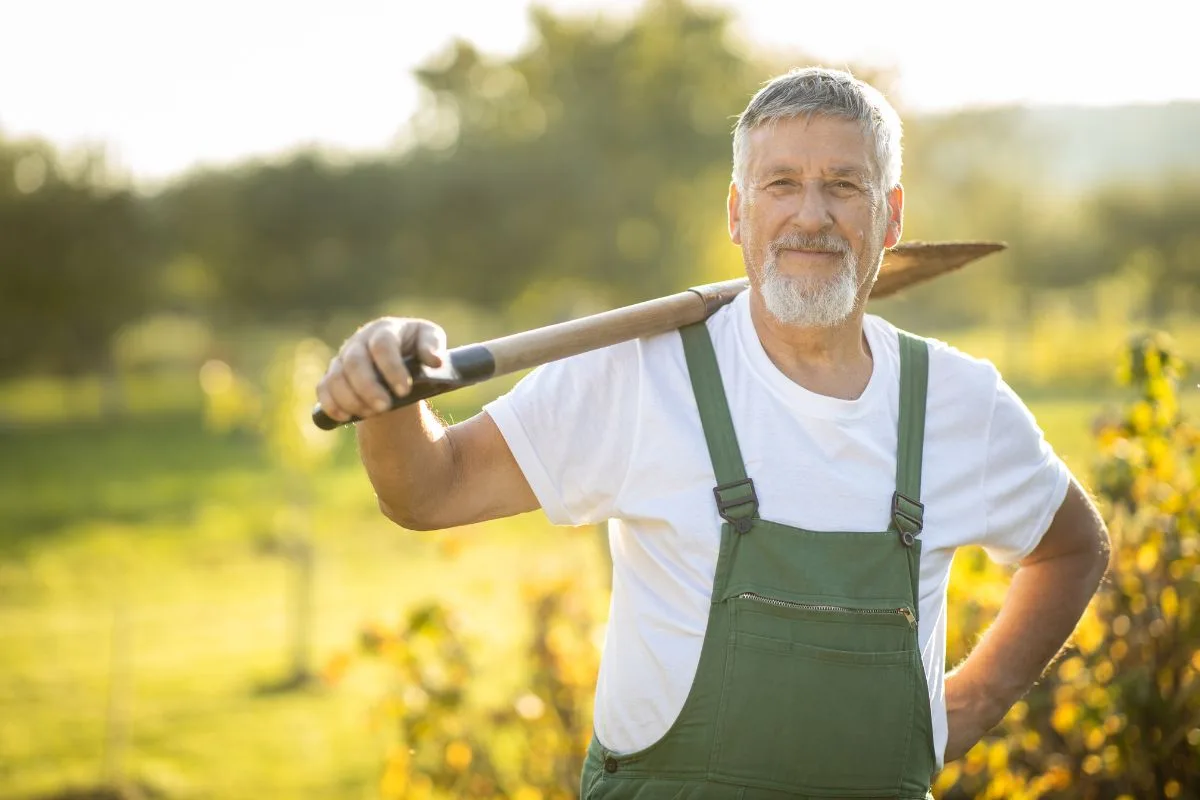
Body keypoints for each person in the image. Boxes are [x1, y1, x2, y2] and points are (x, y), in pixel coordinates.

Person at [315, 67, 1111, 799]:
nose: (811, 213)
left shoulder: (958, 402)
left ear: (892, 215)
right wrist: (388, 385)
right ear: (737, 213)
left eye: (844, 185)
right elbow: (429, 489)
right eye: (781, 185)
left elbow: (1075, 545)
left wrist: (972, 700)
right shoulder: (638, 375)